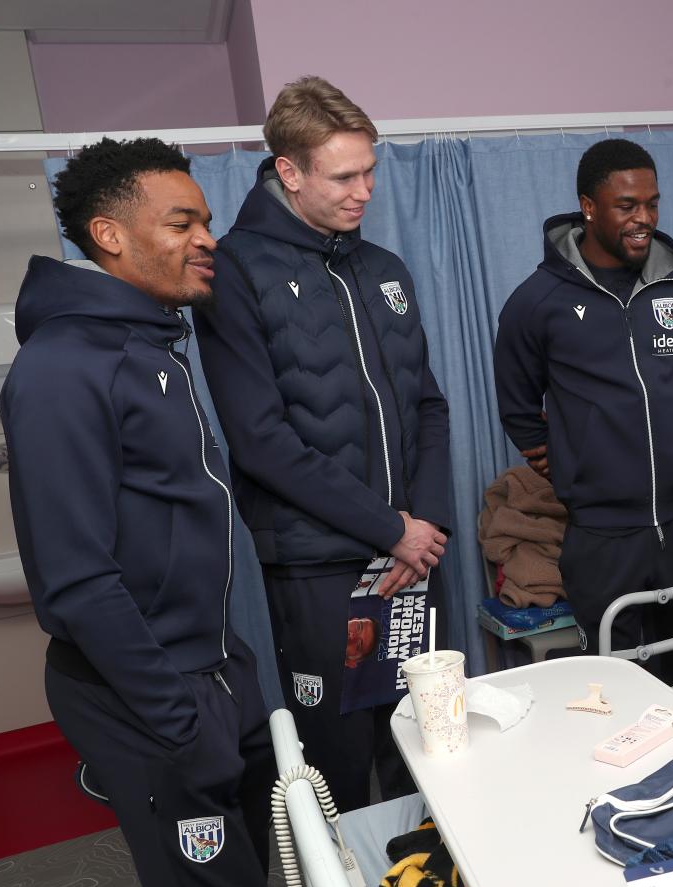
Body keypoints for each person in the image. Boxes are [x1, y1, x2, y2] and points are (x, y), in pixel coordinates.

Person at [1, 137, 274, 887]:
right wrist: (179, 722)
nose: (207, 239)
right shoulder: (61, 369)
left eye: (206, 221)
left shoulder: (150, 345)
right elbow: (77, 581)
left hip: (209, 669)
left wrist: (229, 679)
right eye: (182, 223)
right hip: (147, 694)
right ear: (110, 235)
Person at [192, 76, 450, 813]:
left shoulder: (383, 269)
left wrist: (425, 530)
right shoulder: (236, 273)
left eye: (370, 171)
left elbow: (429, 405)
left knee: (426, 746)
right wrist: (389, 529)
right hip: (321, 567)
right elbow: (261, 441)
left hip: (414, 557)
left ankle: (428, 882)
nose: (364, 191)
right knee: (339, 760)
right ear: (290, 172)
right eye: (343, 177)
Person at [493, 138, 673, 687]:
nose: (644, 218)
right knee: (616, 692)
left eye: (652, 204)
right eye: (627, 206)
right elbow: (517, 406)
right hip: (603, 537)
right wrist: (571, 461)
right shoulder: (537, 301)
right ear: (589, 207)